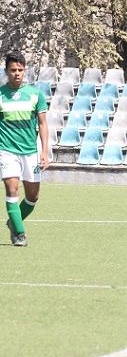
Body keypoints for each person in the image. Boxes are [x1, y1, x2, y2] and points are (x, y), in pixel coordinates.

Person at [0, 52, 49, 247]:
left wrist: (44, 151)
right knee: (12, 188)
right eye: (13, 70)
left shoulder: (36, 95)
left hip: (30, 152)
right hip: (6, 150)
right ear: (6, 71)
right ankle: (20, 234)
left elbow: (43, 124)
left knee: (32, 197)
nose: (17, 73)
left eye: (20, 70)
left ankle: (14, 221)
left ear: (25, 71)